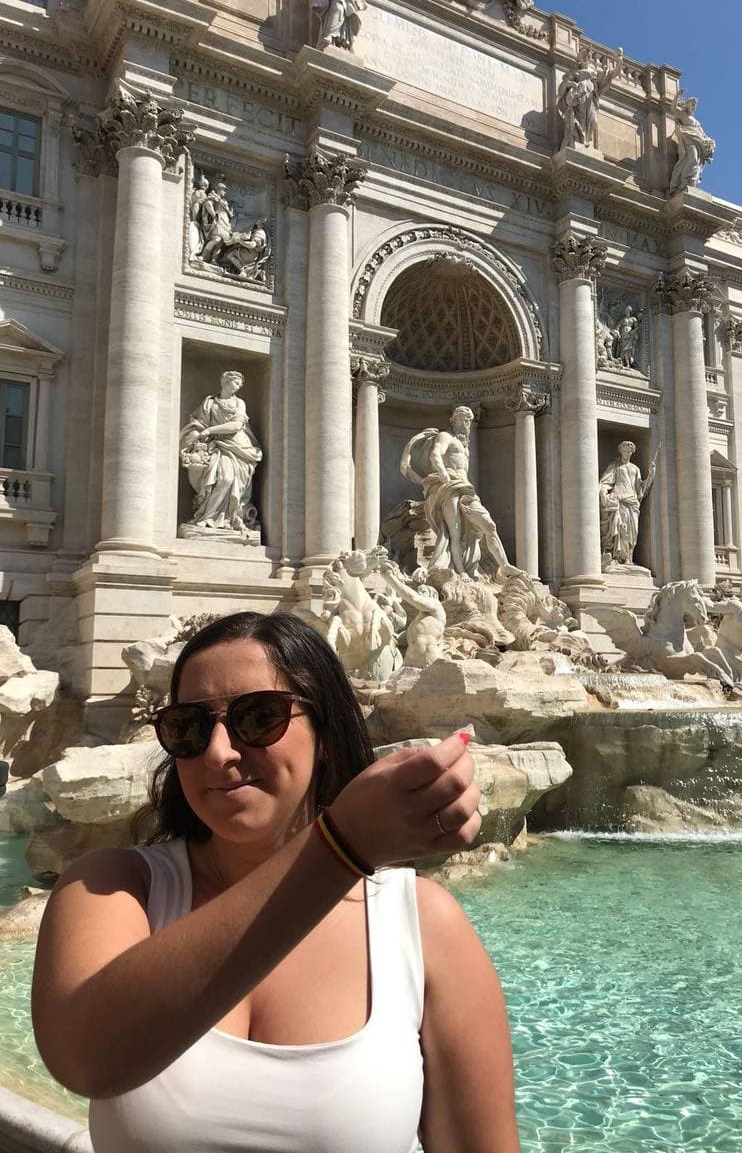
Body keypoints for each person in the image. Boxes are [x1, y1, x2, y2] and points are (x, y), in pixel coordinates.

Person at [32, 611, 520, 1152]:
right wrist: (343, 847)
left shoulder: (425, 924)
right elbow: (86, 1059)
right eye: (188, 727)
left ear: (328, 734)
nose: (219, 753)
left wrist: (344, 847)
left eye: (259, 717)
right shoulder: (114, 888)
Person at [400, 406, 520, 581]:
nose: (466, 424)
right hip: (449, 486)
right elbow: (435, 454)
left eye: (469, 421)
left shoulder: (466, 448)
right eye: (463, 419)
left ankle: (504, 565)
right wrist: (443, 473)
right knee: (455, 532)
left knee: (489, 525)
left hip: (466, 488)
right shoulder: (446, 436)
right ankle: (461, 571)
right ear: (454, 420)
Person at [179, 370, 263, 538]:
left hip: (239, 447)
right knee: (223, 479)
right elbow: (198, 423)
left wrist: (210, 430)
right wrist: (195, 436)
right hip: (217, 446)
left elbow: (236, 426)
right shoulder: (210, 402)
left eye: (240, 384)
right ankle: (208, 518)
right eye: (236, 382)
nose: (238, 386)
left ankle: (222, 519)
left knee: (228, 479)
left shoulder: (240, 403)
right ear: (225, 381)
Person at [598, 440, 656, 568]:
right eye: (625, 450)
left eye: (629, 451)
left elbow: (640, 488)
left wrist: (651, 476)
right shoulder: (615, 466)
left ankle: (628, 557)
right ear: (621, 451)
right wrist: (603, 491)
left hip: (632, 502)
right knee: (620, 528)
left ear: (632, 452)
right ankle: (617, 557)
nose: (627, 452)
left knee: (632, 531)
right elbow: (606, 481)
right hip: (620, 500)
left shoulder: (635, 469)